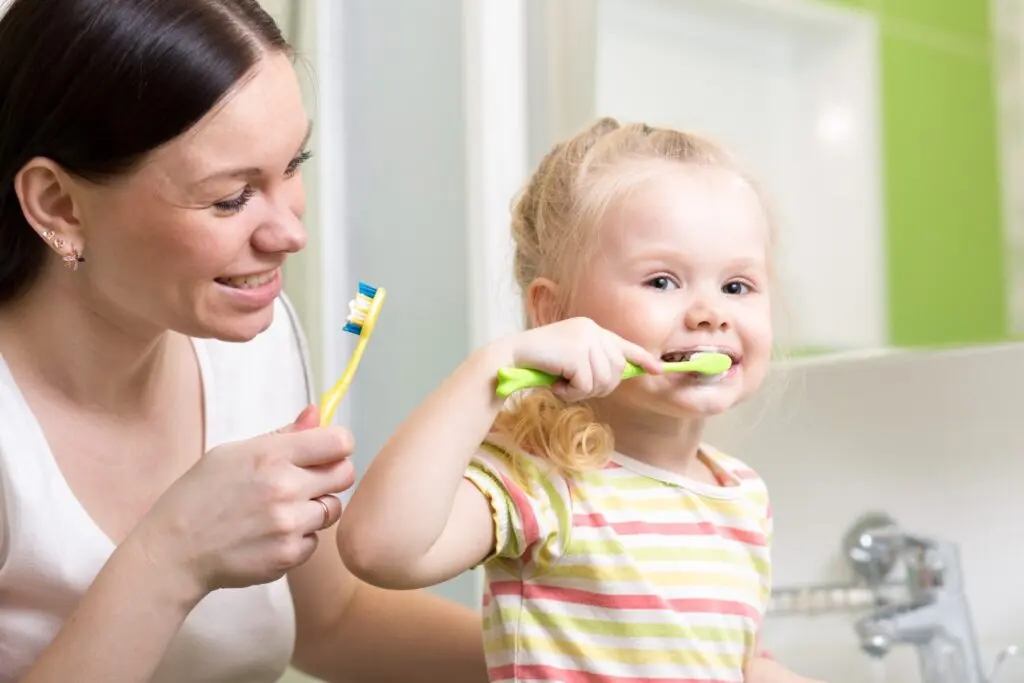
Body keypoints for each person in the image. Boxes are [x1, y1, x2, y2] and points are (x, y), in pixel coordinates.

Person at [0, 1, 487, 681]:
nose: (289, 232)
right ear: (59, 205)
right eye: (231, 197)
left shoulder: (252, 345)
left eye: (292, 165)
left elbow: (331, 622)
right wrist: (170, 555)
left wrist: (589, 649)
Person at [337, 117, 824, 682]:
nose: (711, 312)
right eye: (663, 281)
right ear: (555, 314)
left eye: (737, 286)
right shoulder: (546, 481)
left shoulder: (741, 497)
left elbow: (725, 656)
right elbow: (377, 550)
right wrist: (490, 370)